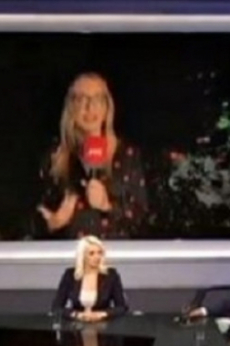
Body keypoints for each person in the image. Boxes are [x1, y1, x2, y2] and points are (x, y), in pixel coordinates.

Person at [37, 72, 148, 239]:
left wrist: (107, 205)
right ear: (71, 107)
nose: (89, 107)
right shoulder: (55, 156)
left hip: (115, 252)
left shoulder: (126, 155)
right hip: (70, 253)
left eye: (97, 99)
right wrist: (54, 222)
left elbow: (142, 218)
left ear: (107, 107)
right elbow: (33, 219)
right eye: (81, 99)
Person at [52, 235, 128, 321]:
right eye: (91, 253)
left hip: (104, 325)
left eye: (99, 253)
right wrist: (77, 315)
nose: (97, 257)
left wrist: (101, 314)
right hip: (76, 325)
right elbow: (56, 307)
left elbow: (122, 307)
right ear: (83, 256)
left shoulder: (111, 275)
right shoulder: (70, 275)